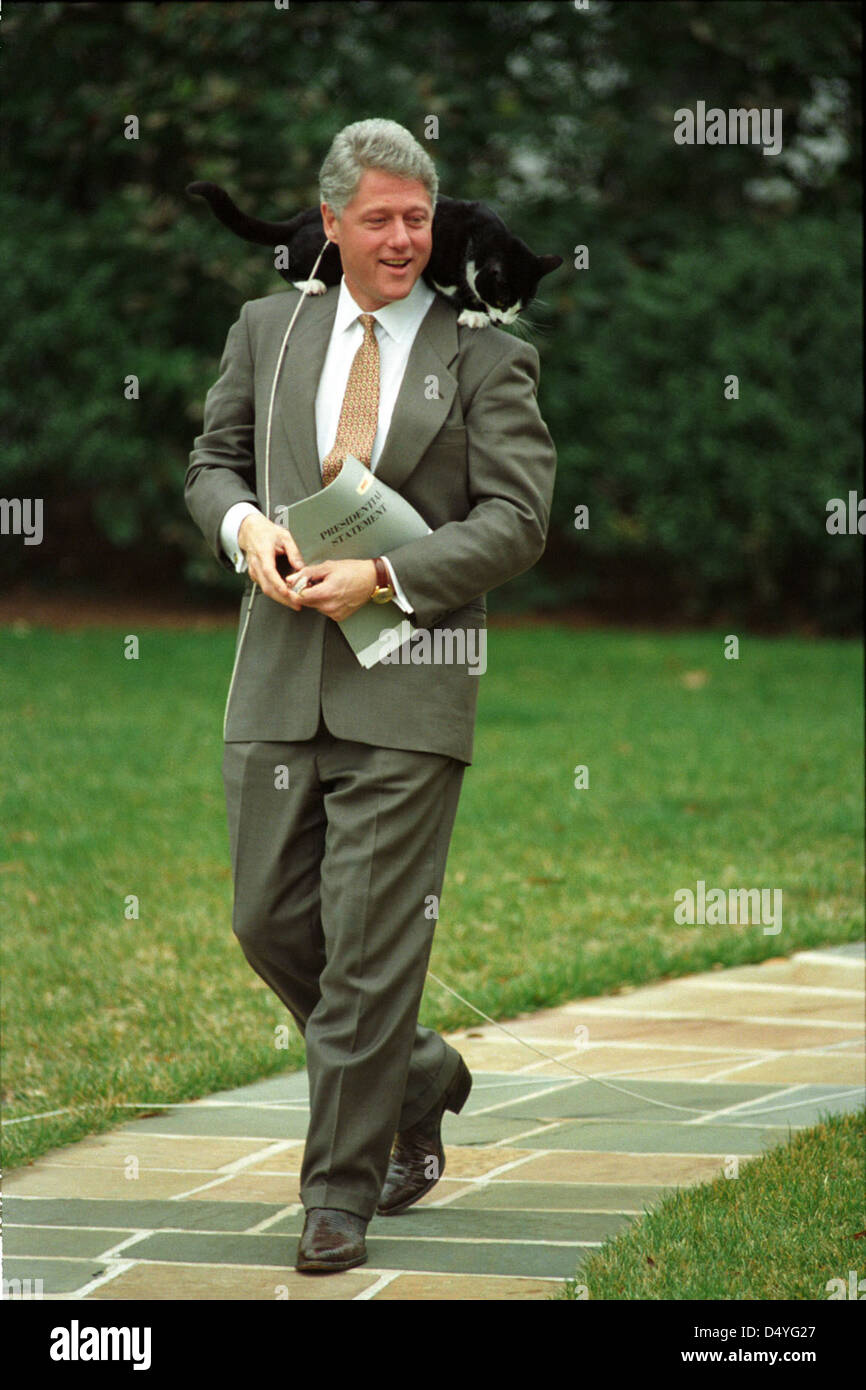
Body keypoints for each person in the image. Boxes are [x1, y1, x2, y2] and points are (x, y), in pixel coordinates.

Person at [185, 118, 557, 1274]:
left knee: (364, 952)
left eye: (419, 218)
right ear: (332, 218)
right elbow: (213, 464)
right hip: (275, 681)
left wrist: (388, 572)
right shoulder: (265, 330)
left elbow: (517, 519)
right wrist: (244, 529)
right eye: (381, 218)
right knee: (265, 922)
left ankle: (338, 1194)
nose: (404, 239)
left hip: (413, 686)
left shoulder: (487, 351)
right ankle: (419, 1074)